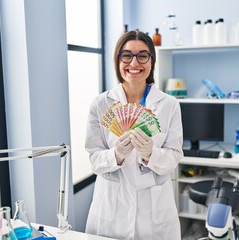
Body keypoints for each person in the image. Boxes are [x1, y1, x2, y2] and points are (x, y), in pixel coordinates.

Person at [85, 30, 183, 240]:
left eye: (142, 56)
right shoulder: (101, 104)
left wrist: (151, 154)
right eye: (127, 55)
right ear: (118, 60)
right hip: (111, 212)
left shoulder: (169, 105)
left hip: (155, 215)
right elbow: (94, 161)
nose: (134, 63)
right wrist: (116, 155)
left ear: (151, 61)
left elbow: (173, 158)